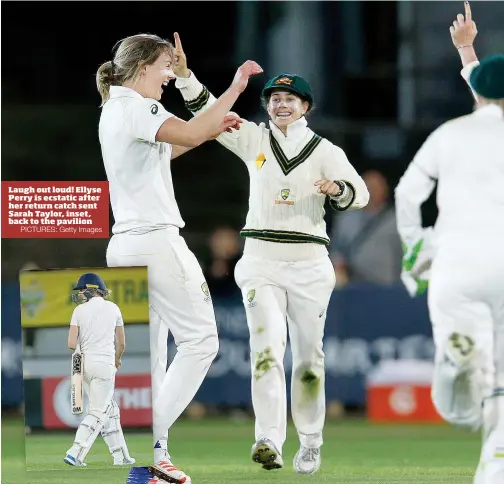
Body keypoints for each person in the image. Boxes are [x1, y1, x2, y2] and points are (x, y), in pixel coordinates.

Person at [172, 35, 369, 475]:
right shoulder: (254, 140)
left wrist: (337, 189)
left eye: (290, 99)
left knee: (308, 358)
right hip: (260, 260)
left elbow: (361, 193)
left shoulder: (325, 151)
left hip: (310, 264)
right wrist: (185, 77)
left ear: (306, 107)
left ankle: (312, 440)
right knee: (265, 350)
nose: (281, 105)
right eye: (275, 98)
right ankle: (268, 439)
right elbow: (209, 113)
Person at [96, 32, 262, 483]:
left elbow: (172, 147)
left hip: (125, 245)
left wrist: (212, 128)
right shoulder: (136, 105)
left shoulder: (114, 110)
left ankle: (149, 465)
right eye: (166, 66)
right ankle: (148, 444)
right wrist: (234, 90)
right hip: (156, 242)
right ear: (143, 66)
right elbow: (188, 129)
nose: (170, 75)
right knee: (202, 341)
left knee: (150, 358)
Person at [395, 6, 504, 482]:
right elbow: (487, 92)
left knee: (461, 398)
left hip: (453, 267)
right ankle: (493, 466)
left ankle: (455, 368)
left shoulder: (449, 133)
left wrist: (417, 247)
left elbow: (404, 193)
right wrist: (467, 53)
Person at [64, 273, 135, 467]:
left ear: (89, 290)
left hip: (83, 365)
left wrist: (81, 355)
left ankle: (121, 456)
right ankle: (75, 451)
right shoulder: (114, 308)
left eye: (81, 291)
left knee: (110, 410)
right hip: (104, 365)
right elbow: (121, 342)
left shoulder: (79, 310)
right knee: (97, 411)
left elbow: (71, 343)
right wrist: (117, 359)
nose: (80, 294)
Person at [330, 169, 402, 286]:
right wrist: (338, 264)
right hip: (351, 285)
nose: (371, 191)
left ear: (385, 190)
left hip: (384, 285)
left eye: (375, 187)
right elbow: (337, 248)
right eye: (367, 187)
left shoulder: (396, 220)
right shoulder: (345, 218)